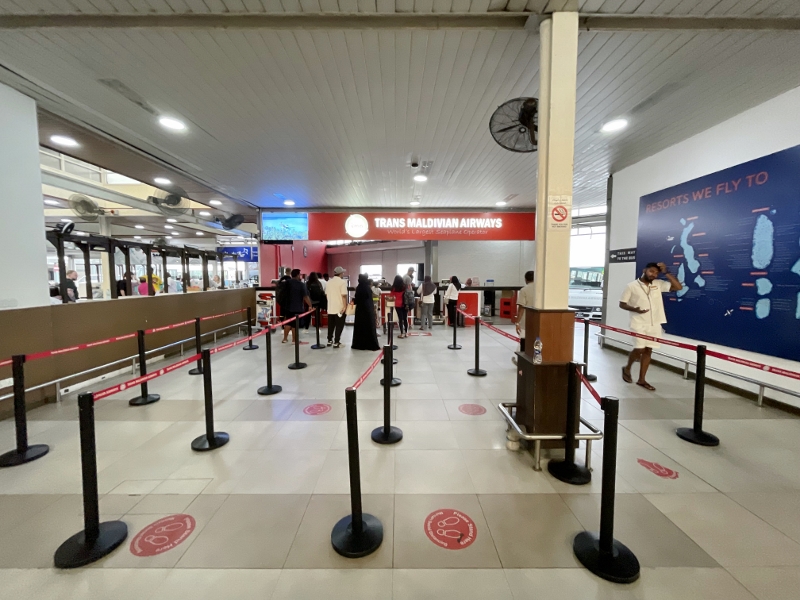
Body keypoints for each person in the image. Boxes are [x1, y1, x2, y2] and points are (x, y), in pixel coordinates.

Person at [619, 261, 682, 391]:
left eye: (656, 273)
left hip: (655, 323)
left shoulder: (658, 284)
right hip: (638, 322)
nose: (653, 275)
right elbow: (622, 304)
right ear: (644, 270)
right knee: (639, 349)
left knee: (648, 350)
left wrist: (666, 273)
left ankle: (642, 380)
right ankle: (627, 367)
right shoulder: (631, 286)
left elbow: (678, 287)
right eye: (651, 271)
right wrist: (634, 309)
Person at [351, 274, 381, 351]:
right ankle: (371, 344)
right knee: (369, 327)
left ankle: (359, 344)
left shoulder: (359, 288)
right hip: (368, 310)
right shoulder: (367, 288)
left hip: (360, 311)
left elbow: (357, 299)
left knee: (360, 327)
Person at [282, 269, 312, 344]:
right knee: (295, 324)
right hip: (297, 307)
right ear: (298, 275)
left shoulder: (287, 283)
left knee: (288, 322)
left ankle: (285, 339)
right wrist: (310, 305)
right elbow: (305, 296)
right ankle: (294, 340)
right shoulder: (301, 284)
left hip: (287, 306)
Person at [512, 271, 535, 364]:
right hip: (539, 320)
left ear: (526, 279)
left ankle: (520, 361)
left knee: (523, 341)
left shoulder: (524, 290)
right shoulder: (542, 289)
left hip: (526, 321)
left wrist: (517, 323)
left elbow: (521, 308)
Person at [325, 266, 348, 348]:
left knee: (331, 325)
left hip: (330, 307)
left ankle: (329, 340)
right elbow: (344, 295)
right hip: (340, 307)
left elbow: (327, 295)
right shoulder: (342, 282)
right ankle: (336, 342)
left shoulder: (328, 282)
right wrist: (345, 306)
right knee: (339, 325)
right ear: (341, 273)